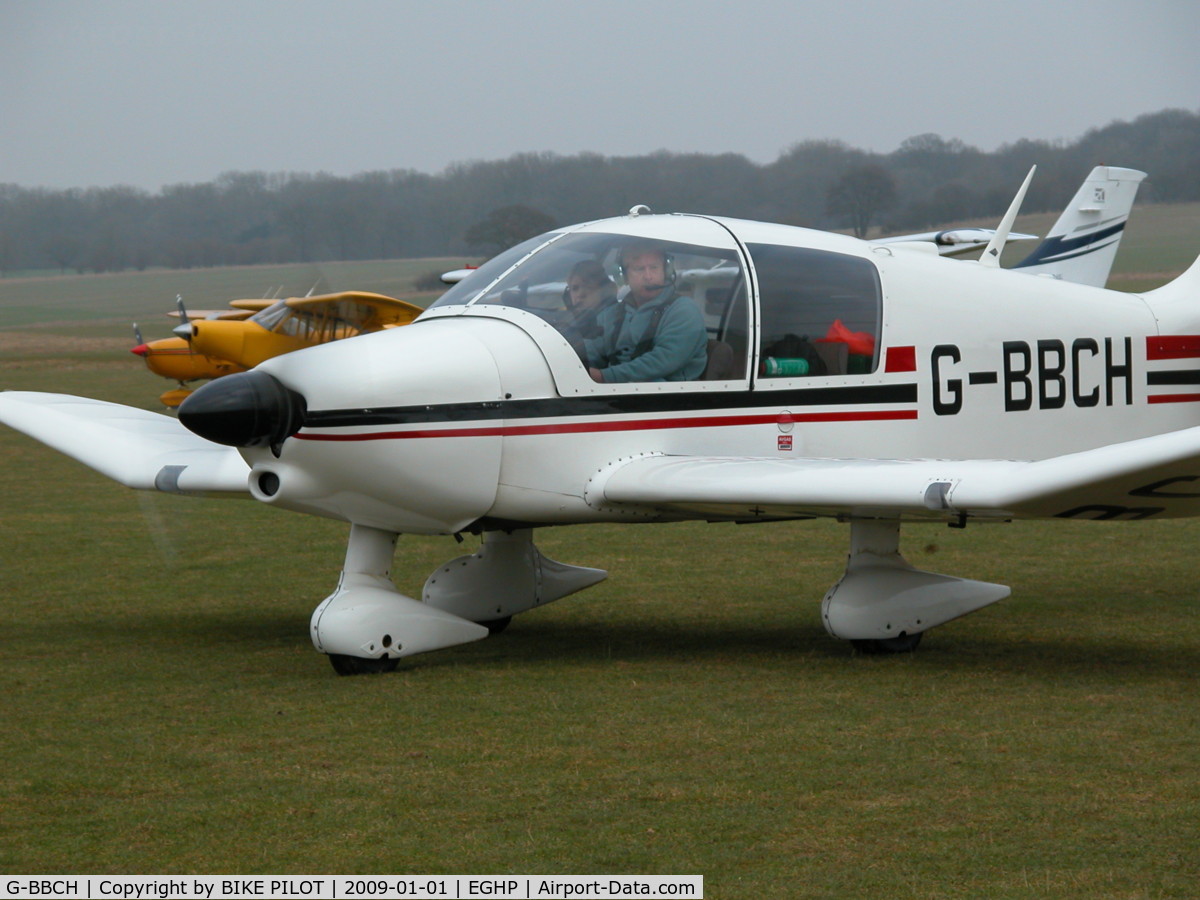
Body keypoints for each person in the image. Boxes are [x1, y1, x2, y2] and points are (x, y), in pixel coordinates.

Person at [585, 244, 708, 383]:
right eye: (639, 269)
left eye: (654, 267)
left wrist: (604, 376)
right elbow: (590, 352)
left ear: (666, 271)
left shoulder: (684, 310)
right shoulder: (612, 314)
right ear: (623, 276)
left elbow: (664, 360)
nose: (648, 276)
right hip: (619, 393)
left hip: (669, 397)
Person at [563, 259, 618, 343]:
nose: (580, 294)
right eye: (575, 288)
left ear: (604, 290)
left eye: (587, 286)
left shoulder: (616, 320)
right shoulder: (569, 322)